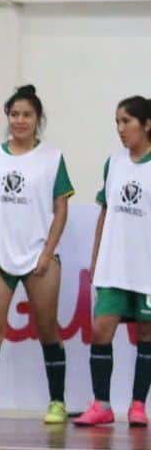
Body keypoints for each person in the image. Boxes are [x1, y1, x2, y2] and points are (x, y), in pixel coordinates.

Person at [0, 85, 73, 426]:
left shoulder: (52, 158)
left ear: (38, 119)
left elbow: (61, 209)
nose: (20, 120)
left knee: (47, 330)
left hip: (40, 259)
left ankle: (57, 402)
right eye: (14, 114)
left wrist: (47, 252)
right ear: (7, 118)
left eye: (27, 115)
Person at [73, 95, 151, 427]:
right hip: (114, 265)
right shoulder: (114, 164)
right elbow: (106, 211)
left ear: (146, 124)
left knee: (146, 334)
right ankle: (102, 404)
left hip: (146, 266)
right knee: (101, 329)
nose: (120, 129)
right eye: (117, 122)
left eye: (126, 122)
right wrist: (96, 256)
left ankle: (137, 405)